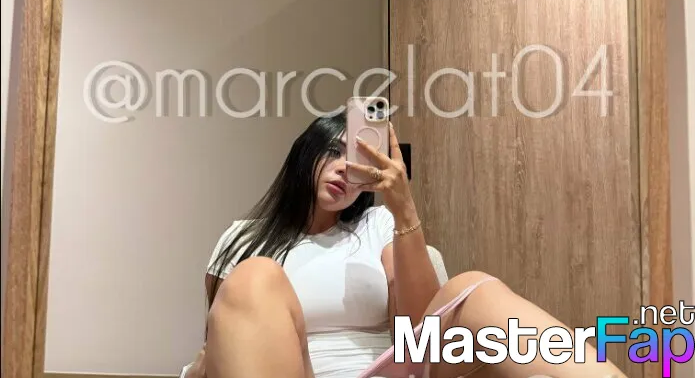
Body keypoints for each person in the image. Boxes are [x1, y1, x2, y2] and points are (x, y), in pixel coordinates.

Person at [183, 111, 625, 378]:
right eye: (334, 152)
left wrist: (403, 208)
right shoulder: (242, 238)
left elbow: (422, 328)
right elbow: (225, 341)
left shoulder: (377, 225)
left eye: (359, 161)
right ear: (305, 154)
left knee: (472, 287)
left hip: (390, 371)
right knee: (256, 276)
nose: (345, 169)